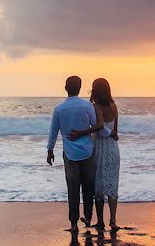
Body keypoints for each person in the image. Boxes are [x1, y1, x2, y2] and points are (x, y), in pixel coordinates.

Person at [47, 75, 99, 234]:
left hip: (70, 154)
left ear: (65, 88)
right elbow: (95, 125)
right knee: (89, 186)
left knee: (73, 188)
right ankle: (88, 218)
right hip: (88, 151)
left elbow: (53, 131)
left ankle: (74, 222)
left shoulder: (59, 109)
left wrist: (50, 150)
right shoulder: (87, 106)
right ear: (80, 87)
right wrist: (111, 133)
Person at [68, 78, 120, 232]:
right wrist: (113, 135)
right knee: (112, 185)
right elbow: (115, 132)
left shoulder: (95, 107)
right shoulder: (115, 106)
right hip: (113, 148)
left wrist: (81, 133)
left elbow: (99, 128)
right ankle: (113, 221)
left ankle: (100, 222)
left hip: (98, 148)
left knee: (99, 186)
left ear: (96, 90)